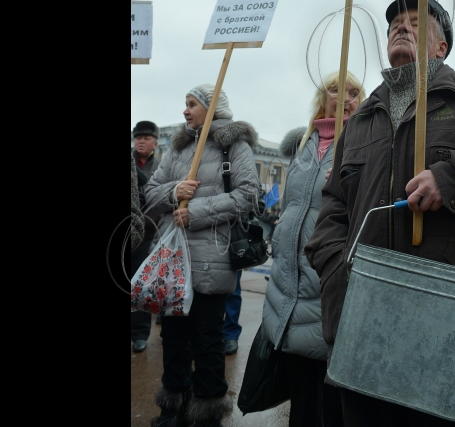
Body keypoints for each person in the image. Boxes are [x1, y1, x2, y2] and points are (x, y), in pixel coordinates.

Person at [305, 0, 455, 427]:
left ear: (442, 46)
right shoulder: (359, 120)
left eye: (417, 23)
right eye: (396, 23)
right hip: (363, 329)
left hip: (449, 334)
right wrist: (336, 269)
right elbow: (334, 207)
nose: (402, 27)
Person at [145, 84, 261, 427]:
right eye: (185, 103)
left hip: (211, 260)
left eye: (192, 104)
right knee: (173, 339)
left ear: (211, 109)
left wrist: (195, 211)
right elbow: (151, 193)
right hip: (174, 263)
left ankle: (208, 412)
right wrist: (173, 191)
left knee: (207, 341)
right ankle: (173, 408)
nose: (185, 110)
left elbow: (248, 195)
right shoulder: (179, 148)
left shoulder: (233, 145)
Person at [261, 70, 365, 427]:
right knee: (301, 394)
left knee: (330, 397)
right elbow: (292, 204)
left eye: (354, 92)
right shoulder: (304, 144)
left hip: (328, 276)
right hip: (289, 277)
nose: (346, 97)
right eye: (338, 90)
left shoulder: (365, 142)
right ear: (323, 97)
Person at [131, 120, 161, 353]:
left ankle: (140, 334)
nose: (140, 141)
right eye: (137, 137)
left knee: (140, 283)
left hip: (149, 232)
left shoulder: (161, 168)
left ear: (155, 143)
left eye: (146, 138)